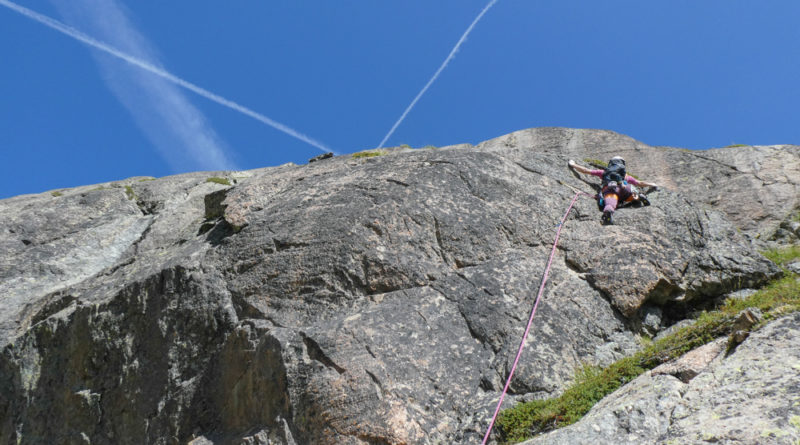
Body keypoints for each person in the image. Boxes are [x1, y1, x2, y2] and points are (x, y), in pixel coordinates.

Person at [568, 156, 659, 225]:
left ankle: (608, 213)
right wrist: (652, 184)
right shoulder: (626, 176)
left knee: (610, 203)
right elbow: (639, 183)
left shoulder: (604, 172)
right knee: (631, 195)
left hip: (611, 189)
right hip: (625, 189)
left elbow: (585, 170)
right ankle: (638, 197)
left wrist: (573, 164)